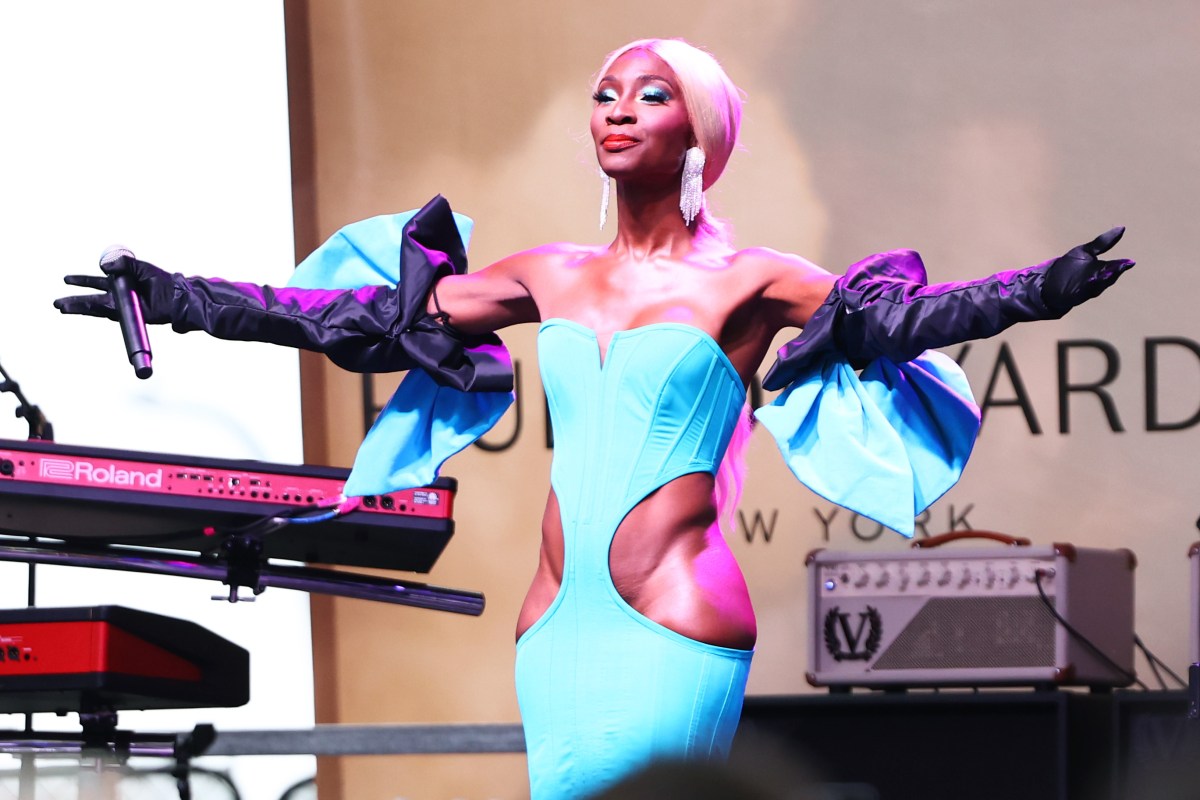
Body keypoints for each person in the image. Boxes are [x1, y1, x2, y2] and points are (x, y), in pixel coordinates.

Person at [55, 38, 1133, 800]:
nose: (615, 108)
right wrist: (183, 295)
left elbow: (906, 315)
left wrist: (1036, 289)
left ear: (699, 132)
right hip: (552, 625)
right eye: (606, 92)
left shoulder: (753, 280)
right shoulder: (550, 274)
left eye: (648, 94)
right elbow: (346, 318)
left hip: (674, 621)